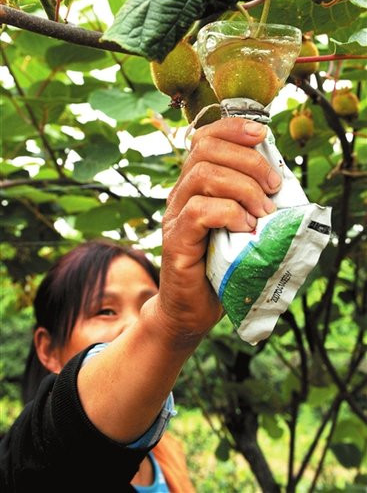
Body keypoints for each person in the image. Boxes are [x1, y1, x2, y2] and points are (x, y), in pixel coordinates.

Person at [0, 117, 281, 492]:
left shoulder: (168, 455)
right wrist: (169, 324)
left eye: (149, 303)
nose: (135, 324)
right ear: (47, 349)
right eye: (105, 310)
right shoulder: (23, 465)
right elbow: (49, 452)